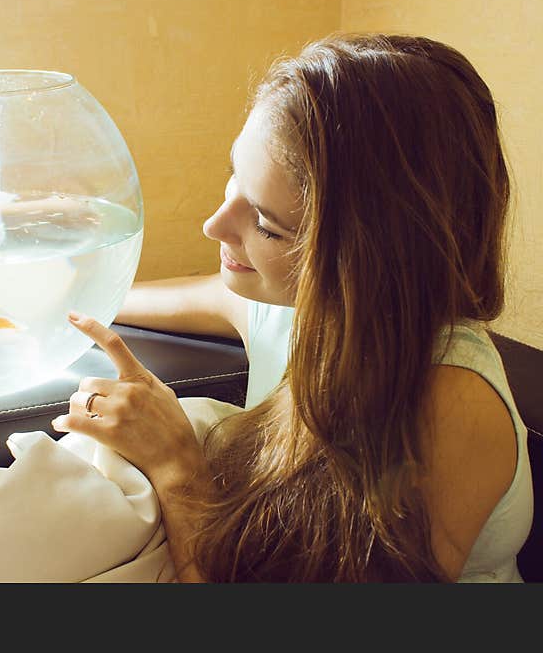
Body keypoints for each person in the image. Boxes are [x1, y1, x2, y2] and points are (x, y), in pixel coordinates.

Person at [52, 32, 533, 582]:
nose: (214, 225)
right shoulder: (293, 302)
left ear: (361, 255)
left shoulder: (447, 403)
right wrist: (67, 301)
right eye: (235, 176)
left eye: (265, 223)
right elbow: (182, 295)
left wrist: (176, 467)